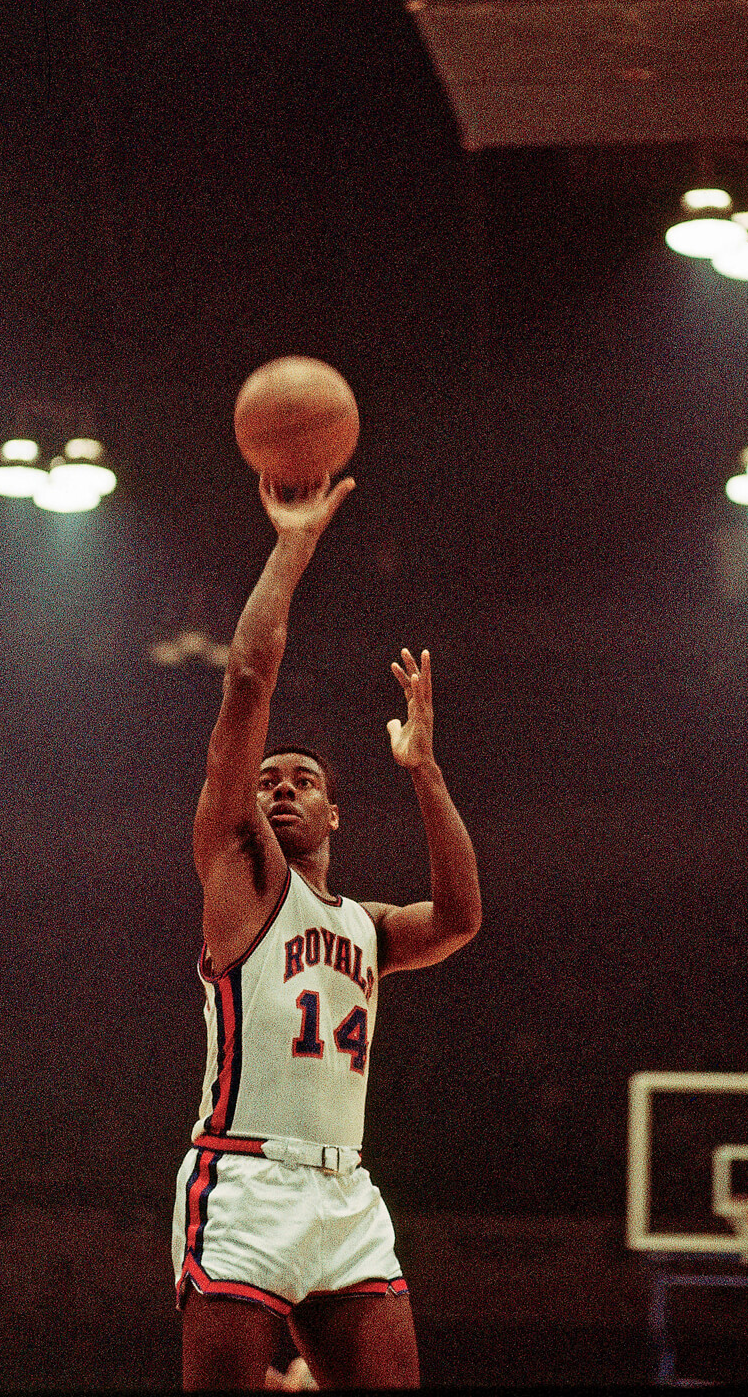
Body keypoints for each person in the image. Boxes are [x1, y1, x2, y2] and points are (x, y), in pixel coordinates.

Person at [171, 472, 481, 1390]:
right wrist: (294, 541)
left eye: (303, 778)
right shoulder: (239, 877)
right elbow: (247, 679)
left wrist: (423, 769)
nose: (280, 786)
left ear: (337, 814)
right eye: (268, 778)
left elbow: (462, 917)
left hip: (346, 1194)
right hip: (244, 1181)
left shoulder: (368, 927)